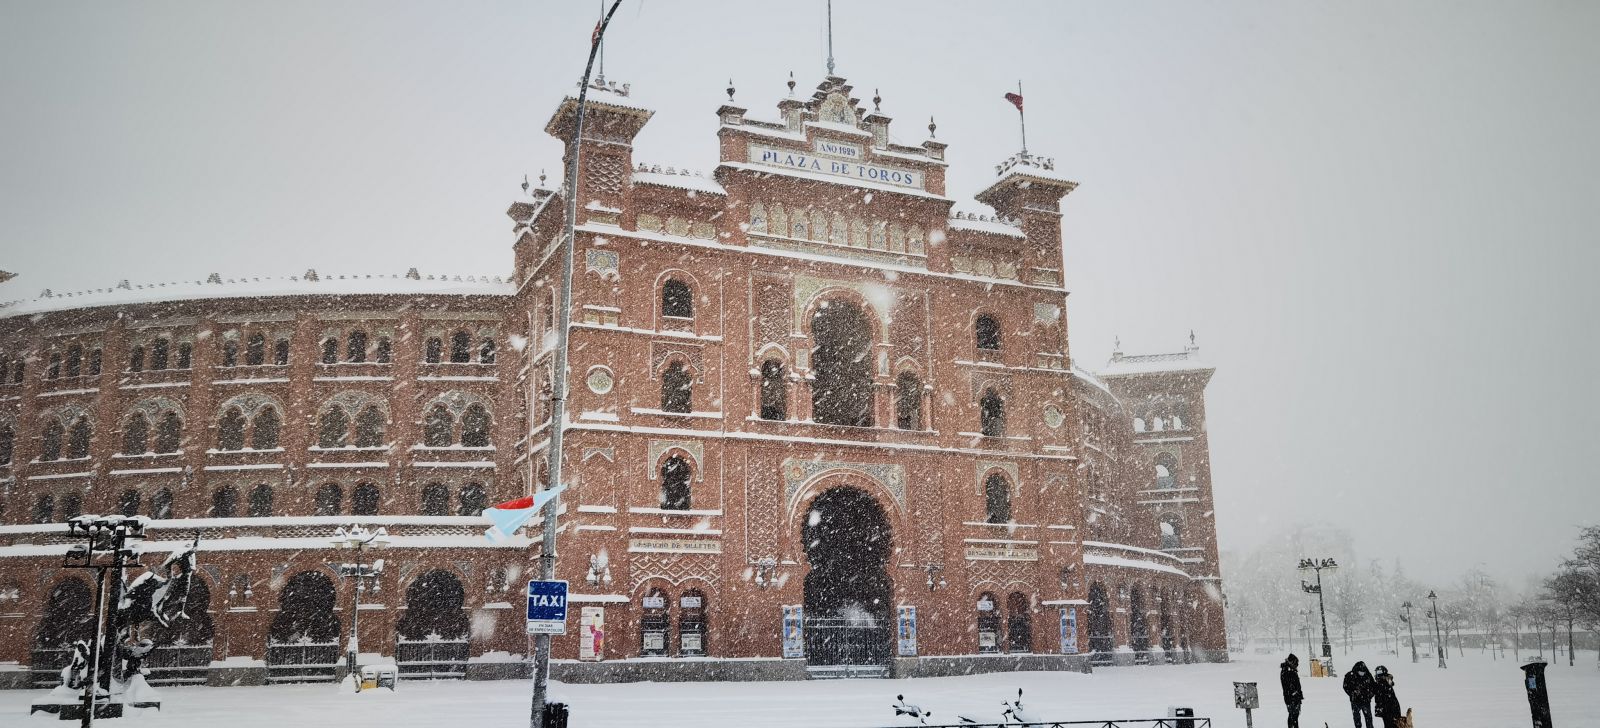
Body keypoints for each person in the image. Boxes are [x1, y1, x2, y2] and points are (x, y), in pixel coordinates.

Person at [1343, 660, 1376, 728]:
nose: (1362, 673)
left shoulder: (1368, 675)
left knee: (1368, 718)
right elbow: (1345, 686)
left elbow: (1373, 686)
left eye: (1363, 672)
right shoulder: (1350, 675)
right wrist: (1352, 693)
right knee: (1356, 717)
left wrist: (1370, 695)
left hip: (1366, 700)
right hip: (1355, 700)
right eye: (1360, 672)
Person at [1281, 653, 1303, 728]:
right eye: (1296, 663)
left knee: (1294, 715)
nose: (1297, 665)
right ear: (1292, 662)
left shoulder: (1289, 670)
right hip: (1291, 698)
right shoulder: (1287, 671)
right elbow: (1289, 685)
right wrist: (1295, 693)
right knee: (1293, 715)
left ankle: (1294, 726)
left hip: (1292, 697)